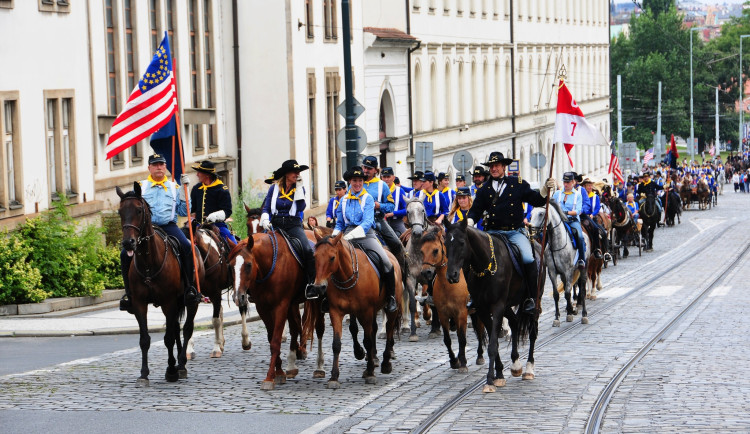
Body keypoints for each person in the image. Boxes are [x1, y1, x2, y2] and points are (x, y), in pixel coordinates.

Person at [467, 151, 555, 314]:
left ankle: (531, 297)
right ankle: (474, 296)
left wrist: (544, 189)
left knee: (529, 257)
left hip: (514, 231)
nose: (494, 169)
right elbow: (475, 210)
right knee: (473, 256)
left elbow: (536, 200)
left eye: (497, 165)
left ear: (504, 167)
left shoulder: (518, 183)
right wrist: (469, 222)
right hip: (492, 232)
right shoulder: (484, 189)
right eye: (491, 166)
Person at [120, 154, 201, 312]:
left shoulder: (174, 187)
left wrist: (185, 192)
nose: (159, 167)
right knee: (124, 254)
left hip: (168, 226)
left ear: (165, 167)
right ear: (149, 168)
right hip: (145, 229)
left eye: (161, 164)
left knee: (187, 247)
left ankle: (189, 288)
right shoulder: (140, 187)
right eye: (155, 165)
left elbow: (185, 211)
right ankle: (129, 294)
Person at [333, 166, 398, 313]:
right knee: (330, 260)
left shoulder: (368, 198)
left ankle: (391, 296)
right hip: (347, 234)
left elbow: (368, 222)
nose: (357, 183)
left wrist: (349, 236)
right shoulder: (343, 200)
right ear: (350, 181)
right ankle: (327, 296)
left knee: (386, 262)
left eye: (360, 180)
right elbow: (339, 223)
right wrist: (333, 238)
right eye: (355, 180)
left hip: (366, 235)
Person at [259, 160, 316, 299]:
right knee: (257, 250)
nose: (297, 174)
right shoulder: (273, 189)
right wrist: (265, 218)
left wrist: (299, 189)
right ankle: (256, 286)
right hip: (275, 224)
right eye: (294, 172)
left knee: (308, 250)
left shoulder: (299, 188)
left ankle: (311, 284)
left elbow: (301, 207)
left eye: (298, 172)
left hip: (293, 225)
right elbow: (266, 207)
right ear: (286, 174)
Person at [360, 156, 404, 260]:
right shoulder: (356, 182)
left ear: (375, 170)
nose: (366, 171)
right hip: (358, 221)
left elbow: (391, 206)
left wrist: (379, 205)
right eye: (364, 167)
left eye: (369, 168)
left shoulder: (382, 185)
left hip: (377, 220)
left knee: (396, 243)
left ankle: (402, 271)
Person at [189, 160, 237, 244]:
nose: (197, 175)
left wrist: (215, 216)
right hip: (198, 226)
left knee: (234, 246)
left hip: (217, 225)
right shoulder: (196, 188)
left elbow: (227, 211)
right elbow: (192, 209)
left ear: (207, 175)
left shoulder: (222, 190)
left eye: (199, 172)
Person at [552, 172, 587, 270]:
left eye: (568, 182)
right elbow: (551, 205)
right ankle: (548, 256)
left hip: (572, 221)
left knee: (579, 236)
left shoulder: (577, 195)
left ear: (573, 182)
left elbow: (578, 211)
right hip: (559, 221)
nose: (565, 184)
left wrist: (566, 212)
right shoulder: (557, 193)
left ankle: (581, 259)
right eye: (564, 182)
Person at [580, 178, 610, 261]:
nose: (590, 187)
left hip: (592, 217)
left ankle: (604, 251)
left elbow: (597, 208)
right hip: (581, 216)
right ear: (584, 186)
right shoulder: (580, 195)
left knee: (601, 231)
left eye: (591, 185)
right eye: (588, 185)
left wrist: (592, 215)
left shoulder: (595, 196)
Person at [381, 167, 408, 236]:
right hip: (381, 221)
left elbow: (406, 210)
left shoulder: (400, 191)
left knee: (406, 238)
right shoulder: (378, 190)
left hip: (396, 222)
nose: (386, 179)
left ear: (393, 178)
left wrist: (393, 213)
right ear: (381, 178)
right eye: (384, 177)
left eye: (388, 177)